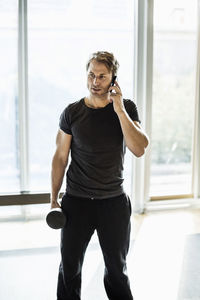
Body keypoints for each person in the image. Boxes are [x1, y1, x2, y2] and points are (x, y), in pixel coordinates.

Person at [50, 51, 149, 300]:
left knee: (117, 271)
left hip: (113, 203)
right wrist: (53, 199)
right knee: (69, 269)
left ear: (113, 78)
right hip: (77, 202)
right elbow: (60, 158)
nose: (95, 82)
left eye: (102, 77)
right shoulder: (72, 113)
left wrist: (119, 109)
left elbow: (139, 148)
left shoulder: (126, 109)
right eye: (91, 75)